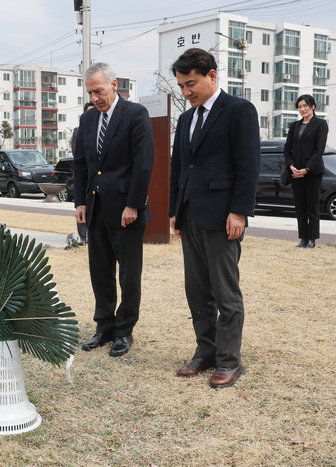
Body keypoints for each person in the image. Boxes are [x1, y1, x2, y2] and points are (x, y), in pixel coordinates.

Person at [169, 48, 260, 388]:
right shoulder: (186, 119)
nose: (186, 91)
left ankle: (229, 360)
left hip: (223, 216)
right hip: (191, 212)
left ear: (211, 75)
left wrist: (239, 211)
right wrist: (174, 211)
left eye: (191, 83)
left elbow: (248, 166)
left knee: (225, 291)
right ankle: (205, 351)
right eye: (181, 86)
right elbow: (180, 166)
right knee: (196, 289)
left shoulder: (239, 110)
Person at [74, 62, 154, 357]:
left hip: (126, 210)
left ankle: (124, 330)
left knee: (129, 274)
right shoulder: (87, 120)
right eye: (90, 93)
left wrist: (133, 203)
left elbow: (143, 164)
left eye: (99, 90)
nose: (95, 97)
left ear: (114, 85)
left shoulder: (135, 114)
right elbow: (82, 164)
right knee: (100, 271)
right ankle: (104, 327)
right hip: (95, 207)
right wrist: (81, 202)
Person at [284, 94, 328, 249]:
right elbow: (287, 148)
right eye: (299, 107)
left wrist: (307, 169)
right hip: (295, 172)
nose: (302, 109)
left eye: (305, 106)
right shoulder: (295, 126)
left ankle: (312, 239)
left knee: (312, 207)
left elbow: (319, 150)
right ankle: (303, 238)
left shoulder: (321, 124)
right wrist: (291, 166)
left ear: (312, 107)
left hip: (313, 172)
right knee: (300, 206)